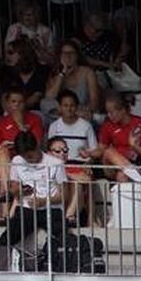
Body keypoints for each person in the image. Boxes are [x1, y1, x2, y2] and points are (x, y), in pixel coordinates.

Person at [0, 131, 65, 271]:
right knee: (10, 234)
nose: (29, 160)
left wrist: (44, 201)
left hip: (51, 208)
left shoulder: (56, 163)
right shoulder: (17, 161)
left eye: (31, 156)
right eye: (25, 157)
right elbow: (14, 187)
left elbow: (63, 195)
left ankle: (63, 265)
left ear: (37, 146)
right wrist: (20, 191)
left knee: (62, 237)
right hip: (27, 207)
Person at [45, 89, 98, 224]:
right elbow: (50, 151)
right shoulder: (54, 126)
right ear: (60, 108)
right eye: (65, 105)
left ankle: (81, 217)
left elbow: (94, 151)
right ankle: (68, 216)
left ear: (77, 107)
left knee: (82, 182)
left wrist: (88, 163)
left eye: (72, 105)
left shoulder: (86, 126)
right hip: (60, 164)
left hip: (81, 164)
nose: (69, 108)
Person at [97, 92, 141, 184]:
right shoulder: (107, 125)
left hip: (139, 163)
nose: (109, 115)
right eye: (107, 112)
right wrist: (89, 153)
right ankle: (134, 173)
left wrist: (134, 146)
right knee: (109, 152)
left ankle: (133, 174)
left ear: (123, 110)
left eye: (111, 112)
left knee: (122, 176)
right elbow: (101, 150)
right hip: (114, 165)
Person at [0, 88, 46, 190]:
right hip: (8, 157)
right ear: (8, 104)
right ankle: (7, 190)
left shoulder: (35, 119)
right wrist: (4, 145)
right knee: (2, 152)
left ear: (25, 103)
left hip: (28, 155)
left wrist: (20, 124)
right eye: (13, 101)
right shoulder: (1, 122)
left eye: (20, 102)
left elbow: (36, 144)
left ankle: (7, 191)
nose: (17, 105)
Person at [42, 41, 99, 122]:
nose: (68, 56)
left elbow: (94, 100)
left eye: (71, 53)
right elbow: (50, 97)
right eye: (64, 53)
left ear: (77, 56)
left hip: (82, 110)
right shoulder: (56, 74)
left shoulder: (87, 72)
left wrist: (84, 110)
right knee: (44, 102)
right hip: (63, 112)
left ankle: (73, 116)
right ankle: (70, 116)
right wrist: (62, 73)